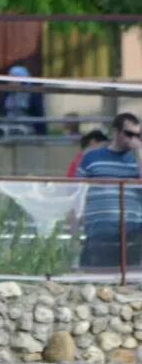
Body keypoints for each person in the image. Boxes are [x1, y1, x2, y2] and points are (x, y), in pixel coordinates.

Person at [75, 112, 142, 268]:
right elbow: (77, 194)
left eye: (137, 135)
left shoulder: (137, 160)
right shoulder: (91, 158)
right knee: (98, 274)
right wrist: (75, 231)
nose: (133, 139)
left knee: (130, 279)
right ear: (116, 132)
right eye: (129, 134)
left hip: (132, 231)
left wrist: (138, 152)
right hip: (99, 229)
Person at [0, 65, 46, 135]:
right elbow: (1, 113)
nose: (10, 81)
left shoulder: (32, 95)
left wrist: (41, 135)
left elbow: (39, 115)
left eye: (13, 77)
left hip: (27, 131)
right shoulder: (7, 94)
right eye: (9, 77)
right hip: (8, 130)